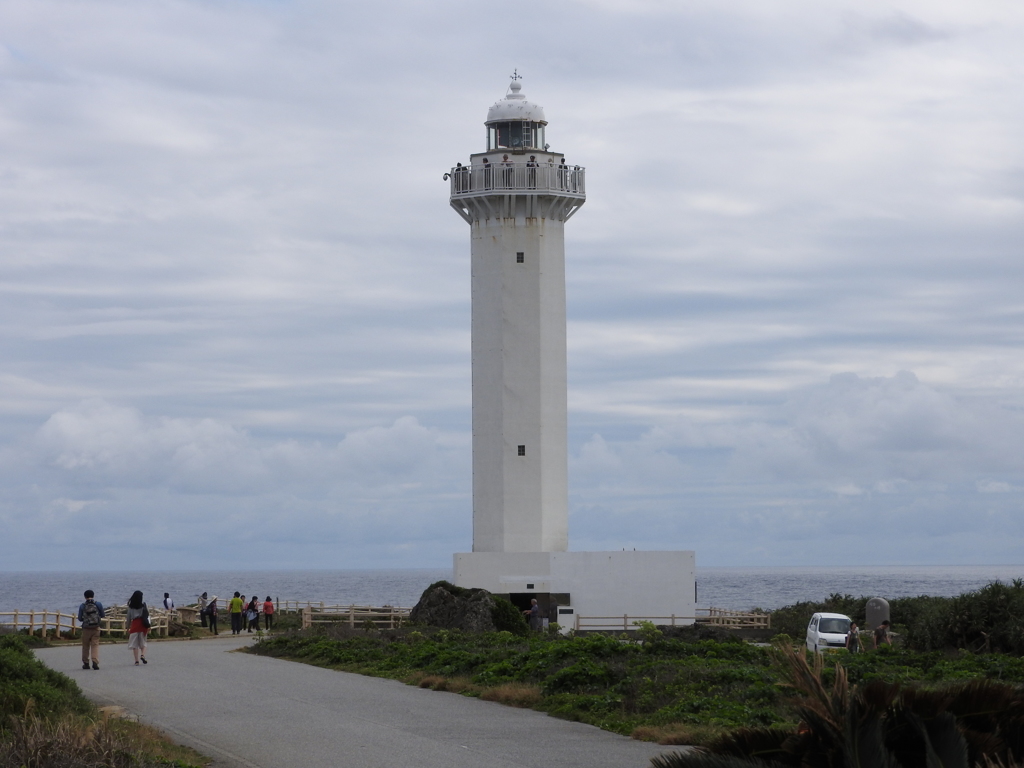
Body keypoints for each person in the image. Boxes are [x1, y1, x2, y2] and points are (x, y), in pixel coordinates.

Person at [78, 589, 105, 670]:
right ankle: (95, 662)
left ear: (85, 596)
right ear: (93, 596)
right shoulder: (98, 604)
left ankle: (86, 663)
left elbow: (79, 618)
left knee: (85, 646)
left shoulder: (82, 606)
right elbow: (103, 615)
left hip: (86, 628)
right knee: (95, 645)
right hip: (96, 627)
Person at [125, 590, 150, 666]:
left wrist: (127, 628)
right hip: (142, 625)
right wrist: (149, 626)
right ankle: (142, 655)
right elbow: (147, 616)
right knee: (143, 642)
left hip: (134, 625)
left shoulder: (130, 607)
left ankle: (136, 661)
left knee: (134, 644)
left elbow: (128, 618)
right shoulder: (143, 606)